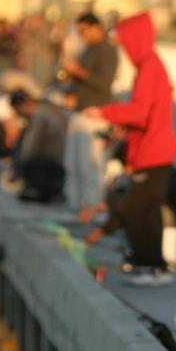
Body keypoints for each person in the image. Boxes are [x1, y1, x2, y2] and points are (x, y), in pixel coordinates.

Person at [82, 12, 176, 287]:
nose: (123, 48)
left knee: (133, 208)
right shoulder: (150, 66)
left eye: (125, 41)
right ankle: (152, 267)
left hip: (155, 152)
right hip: (152, 151)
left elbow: (139, 112)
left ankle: (150, 265)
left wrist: (104, 112)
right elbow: (145, 114)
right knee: (147, 211)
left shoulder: (149, 67)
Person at [62, 12, 121, 211]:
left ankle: (93, 211)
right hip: (80, 113)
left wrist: (77, 70)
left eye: (84, 31)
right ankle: (77, 208)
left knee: (91, 167)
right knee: (73, 165)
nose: (81, 35)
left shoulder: (107, 50)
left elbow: (103, 83)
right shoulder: (88, 49)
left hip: (96, 117)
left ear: (96, 27)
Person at [10, 90, 66, 203]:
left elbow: (30, 146)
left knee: (26, 157)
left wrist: (18, 169)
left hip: (51, 164)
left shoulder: (39, 115)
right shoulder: (46, 109)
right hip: (57, 163)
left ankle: (39, 190)